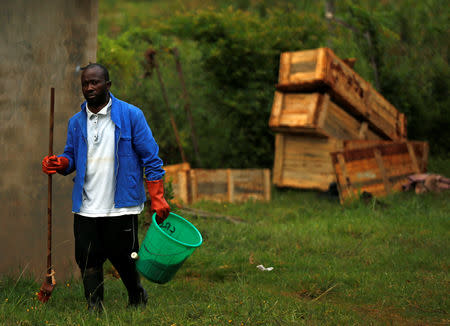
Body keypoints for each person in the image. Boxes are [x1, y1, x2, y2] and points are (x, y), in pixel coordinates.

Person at [41, 63, 170, 311]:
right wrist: (60, 162)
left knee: (125, 259)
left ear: (107, 85)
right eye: (85, 84)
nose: (89, 87)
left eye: (95, 82)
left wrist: (158, 197)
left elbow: (151, 159)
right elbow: (71, 157)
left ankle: (136, 295)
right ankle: (94, 306)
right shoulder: (76, 122)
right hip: (87, 206)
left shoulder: (132, 115)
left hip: (121, 206)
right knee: (88, 259)